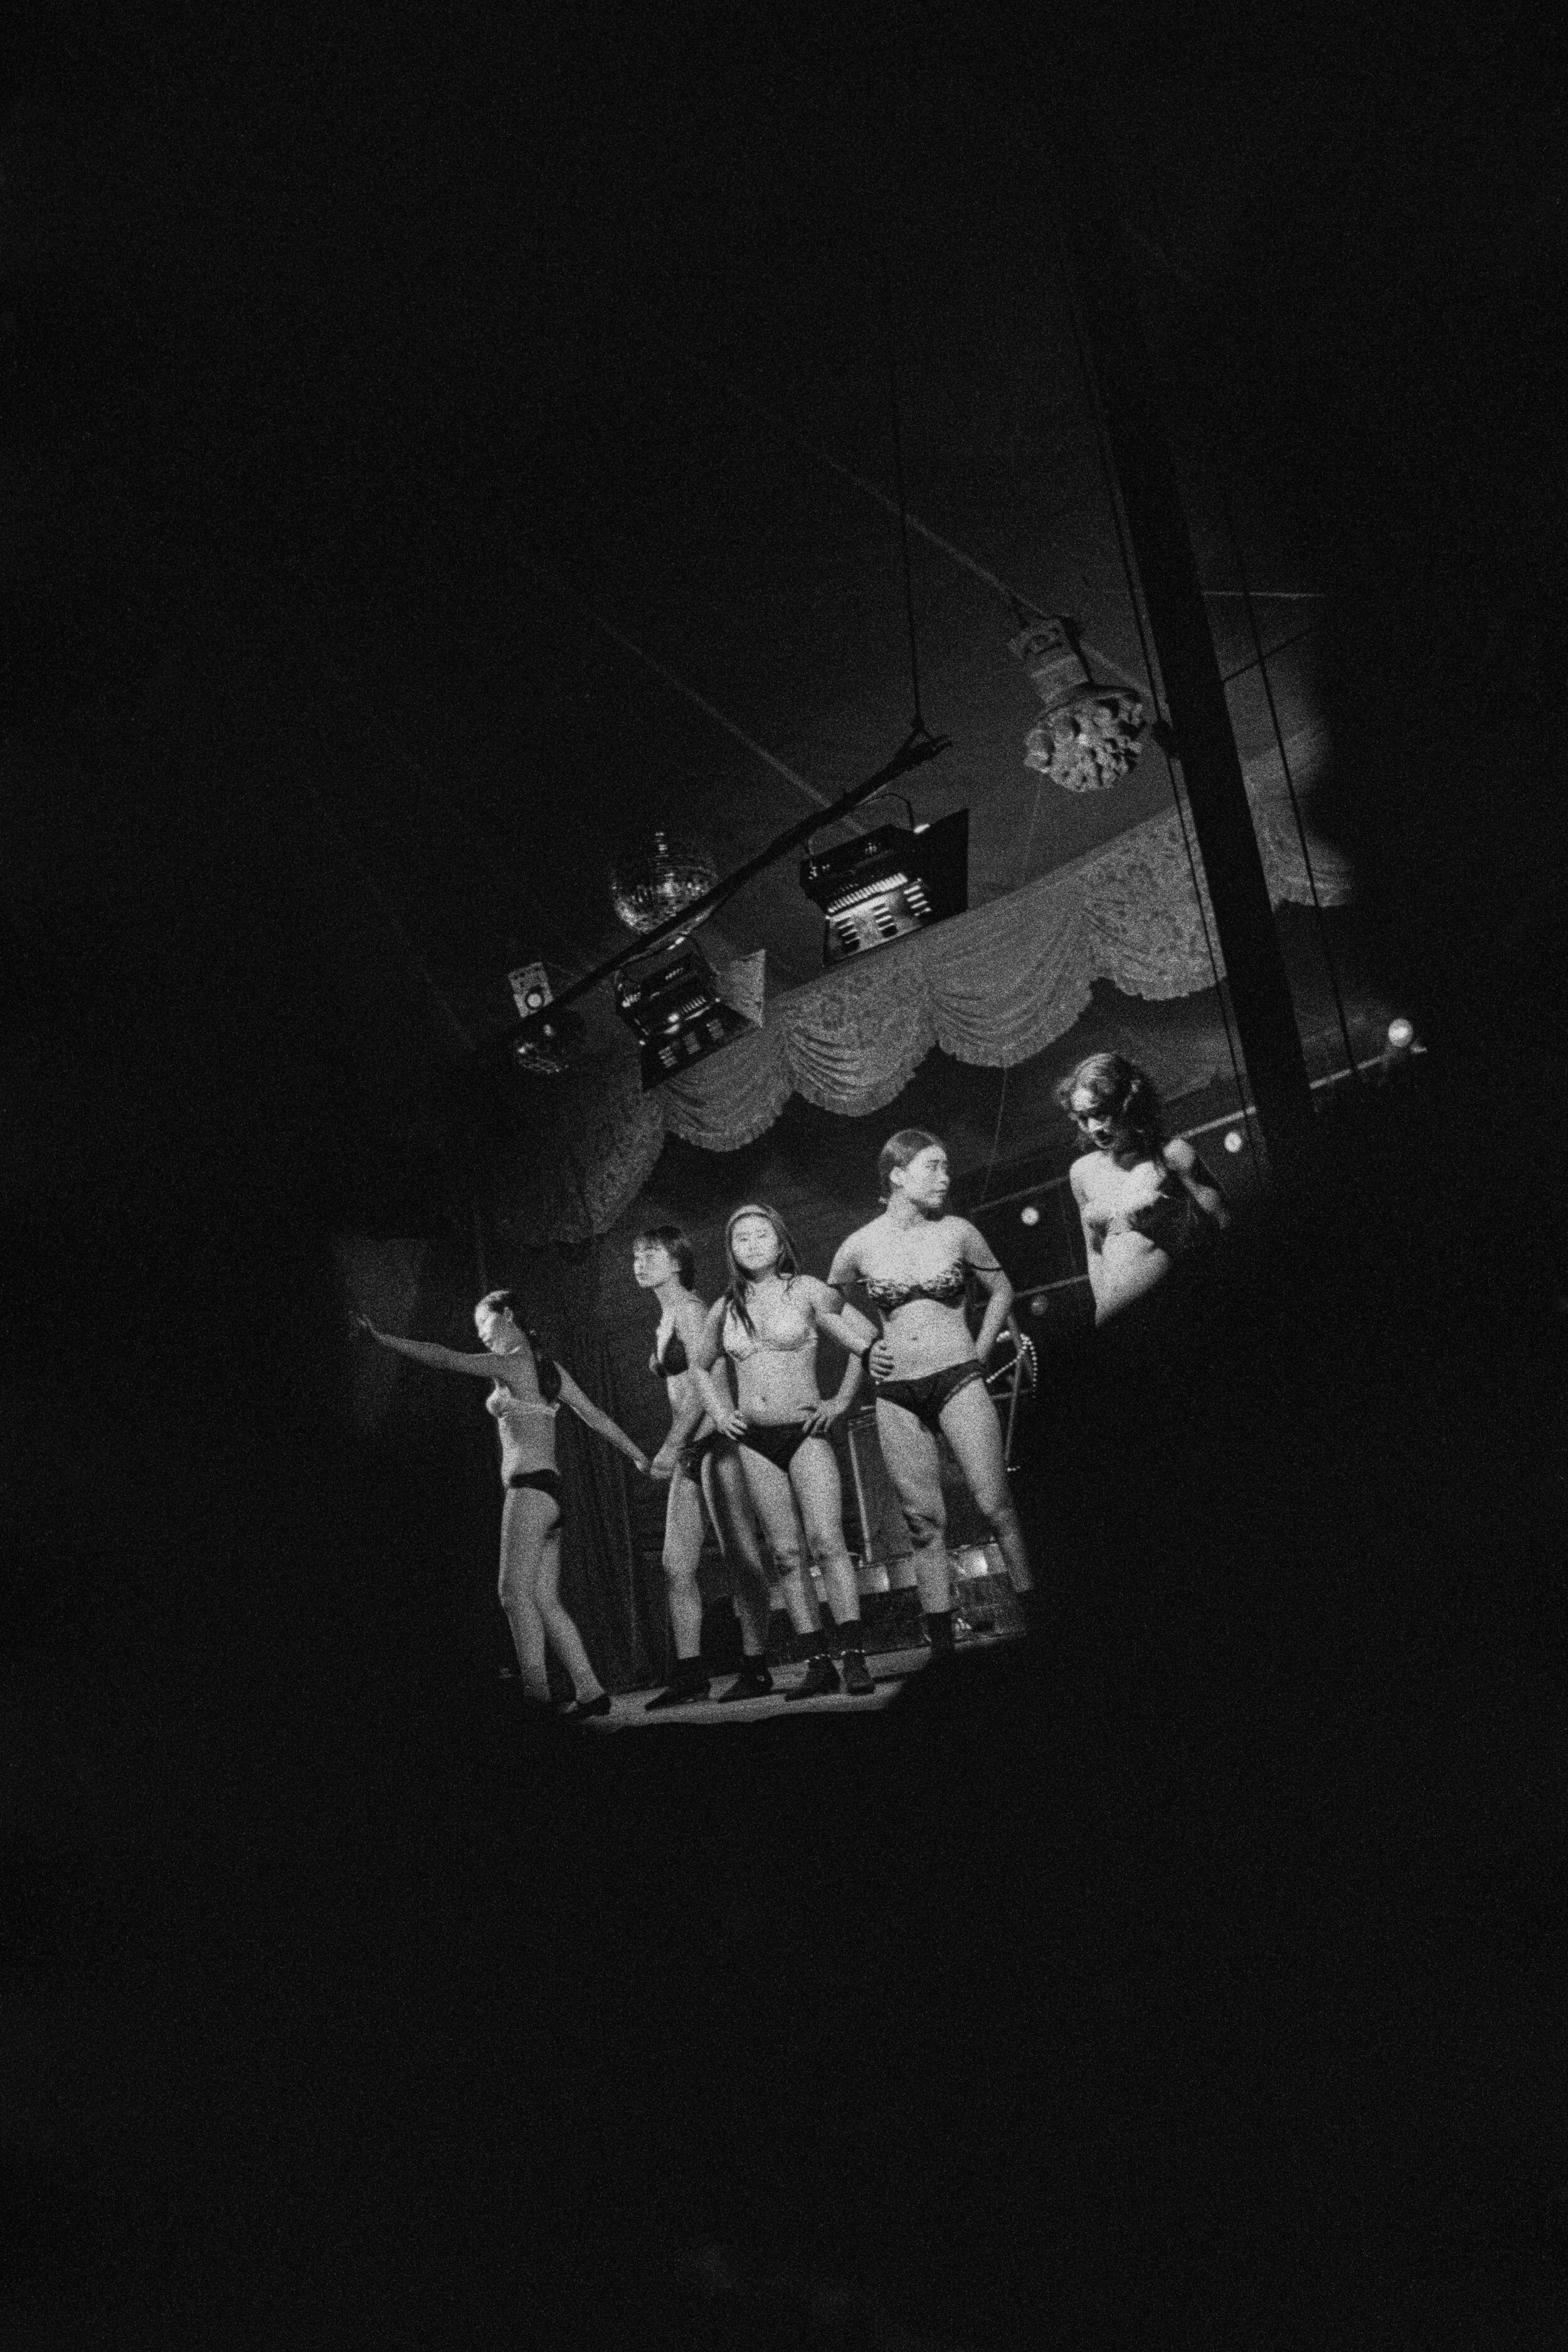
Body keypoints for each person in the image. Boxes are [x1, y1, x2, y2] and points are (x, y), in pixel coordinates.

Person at [356, 1290, 652, 1720]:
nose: (481, 1333)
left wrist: (383, 1340)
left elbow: (445, 1358)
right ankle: (591, 1692)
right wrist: (637, 1454)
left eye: (484, 1322)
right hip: (551, 1493)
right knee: (545, 1601)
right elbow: (595, 1416)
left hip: (529, 1490)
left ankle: (537, 1697)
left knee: (512, 1595)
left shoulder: (511, 1364)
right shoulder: (550, 1370)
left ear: (508, 1315)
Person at [828, 1130, 1034, 1655]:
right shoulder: (859, 1245)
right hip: (897, 1390)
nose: (945, 1178)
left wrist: (980, 1350)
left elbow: (1002, 1289)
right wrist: (864, 1346)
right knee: (922, 1523)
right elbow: (825, 1309)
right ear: (898, 1175)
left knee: (995, 1504)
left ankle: (1038, 1613)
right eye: (933, 1167)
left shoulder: (959, 1232)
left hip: (958, 1378)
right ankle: (942, 1642)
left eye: (947, 1167)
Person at [693, 1206, 882, 1700]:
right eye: (742, 1239)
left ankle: (854, 1657)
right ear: (731, 1251)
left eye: (762, 1235)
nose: (752, 1244)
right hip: (754, 1442)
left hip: (805, 1433)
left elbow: (865, 1338)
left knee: (826, 1541)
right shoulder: (725, 1307)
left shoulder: (808, 1289)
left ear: (780, 1243)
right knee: (785, 1554)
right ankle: (817, 1664)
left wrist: (841, 1400)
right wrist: (719, 1411)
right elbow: (699, 1365)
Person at [634, 1225, 823, 1708]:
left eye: (651, 1254)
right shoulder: (665, 1316)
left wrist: (672, 1445)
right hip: (690, 1451)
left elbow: (709, 1387)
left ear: (677, 1261)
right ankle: (690, 1675)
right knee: (676, 1565)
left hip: (717, 1445)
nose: (640, 1263)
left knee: (742, 1557)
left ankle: (755, 1665)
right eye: (636, 1256)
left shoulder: (693, 1310)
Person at [1057, 1053, 1230, 1324]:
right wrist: (1102, 1311)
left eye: (1100, 1113)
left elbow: (1224, 1226)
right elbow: (1095, 1251)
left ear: (1128, 1103)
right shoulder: (1081, 1172)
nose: (1093, 1128)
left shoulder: (1172, 1154)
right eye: (1083, 1118)